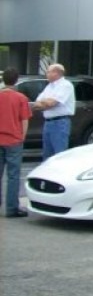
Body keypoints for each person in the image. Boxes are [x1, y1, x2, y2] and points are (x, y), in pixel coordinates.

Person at [0, 68, 32, 217]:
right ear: (16, 80)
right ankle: (12, 208)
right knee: (13, 175)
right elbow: (24, 120)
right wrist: (22, 137)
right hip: (14, 140)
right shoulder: (21, 98)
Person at [32, 63, 76, 160]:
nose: (46, 74)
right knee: (47, 155)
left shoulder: (65, 85)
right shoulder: (49, 87)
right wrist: (47, 102)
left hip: (60, 123)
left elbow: (52, 103)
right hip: (48, 123)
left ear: (56, 73)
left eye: (48, 72)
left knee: (59, 155)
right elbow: (36, 104)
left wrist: (46, 102)